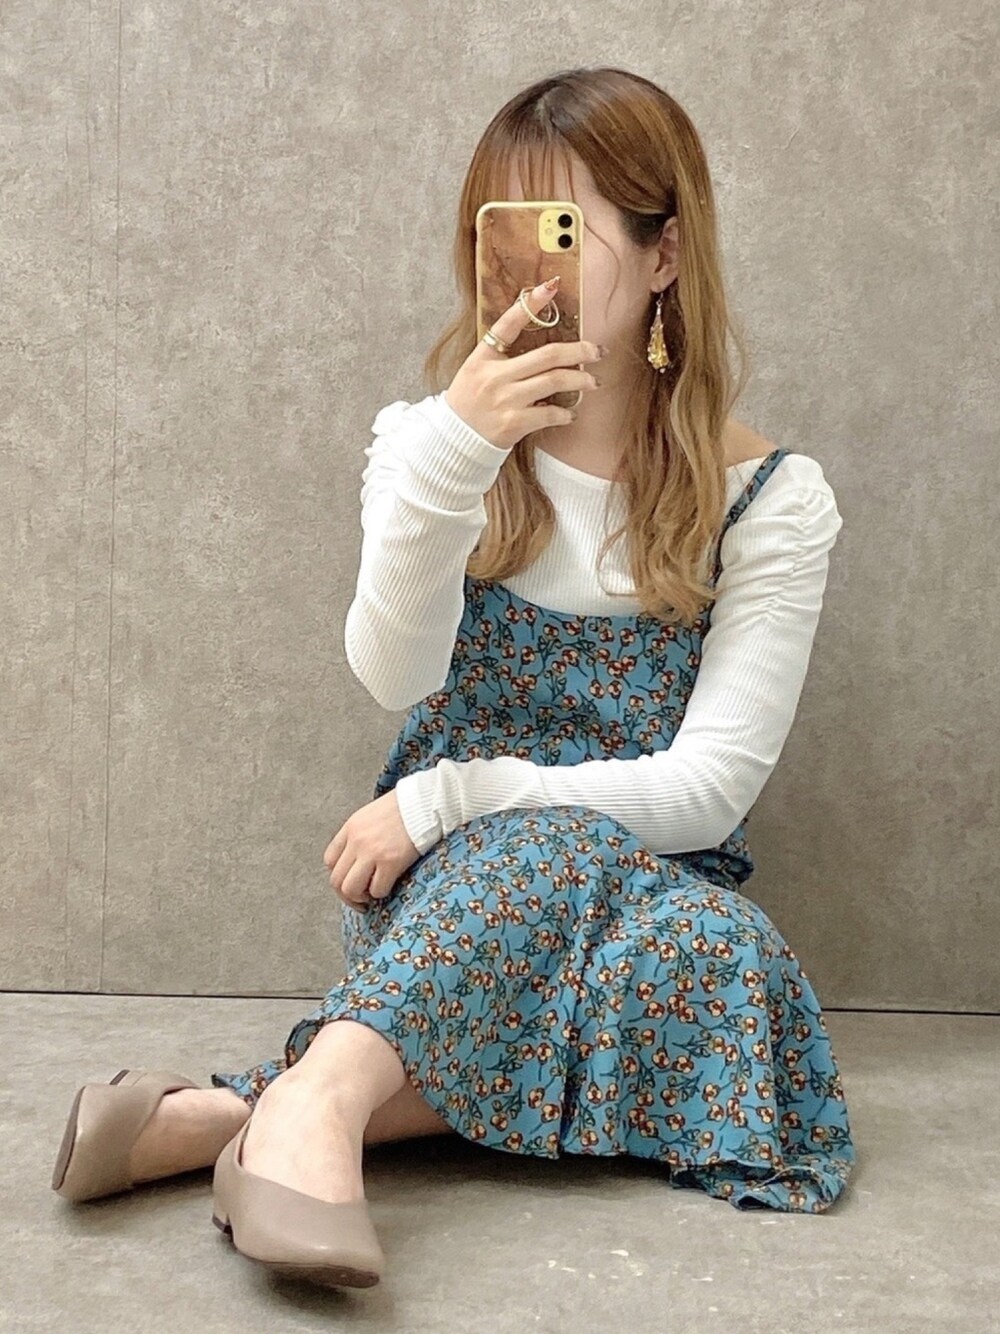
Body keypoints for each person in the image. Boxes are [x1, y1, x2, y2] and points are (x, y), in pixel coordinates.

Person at [50, 65, 856, 1289]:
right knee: (551, 861)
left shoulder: (769, 498)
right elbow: (392, 674)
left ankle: (242, 1112)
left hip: (628, 871)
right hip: (447, 891)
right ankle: (320, 1111)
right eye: (501, 228)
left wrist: (450, 792)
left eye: (563, 228)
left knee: (721, 959)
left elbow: (708, 792)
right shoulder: (424, 444)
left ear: (663, 254)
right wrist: (460, 452)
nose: (528, 268)